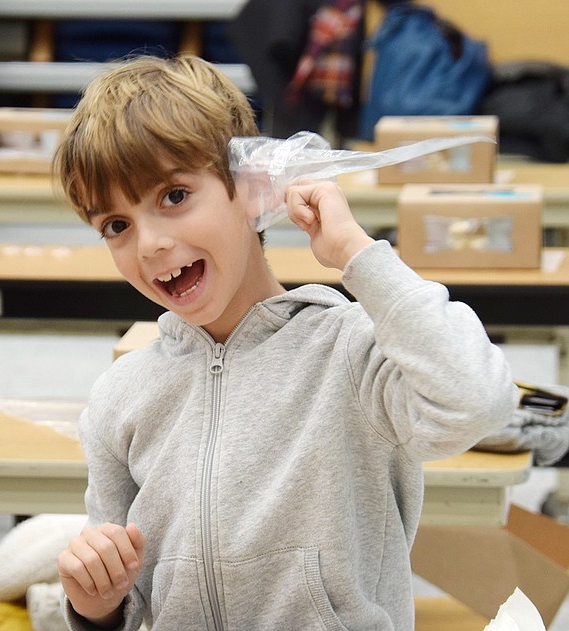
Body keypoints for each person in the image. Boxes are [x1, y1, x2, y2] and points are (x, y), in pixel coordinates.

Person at [54, 54, 517, 631]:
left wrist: (355, 253)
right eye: (116, 226)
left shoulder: (348, 351)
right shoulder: (121, 394)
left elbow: (478, 400)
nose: (149, 244)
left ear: (253, 187)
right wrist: (95, 605)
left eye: (174, 196)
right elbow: (125, 591)